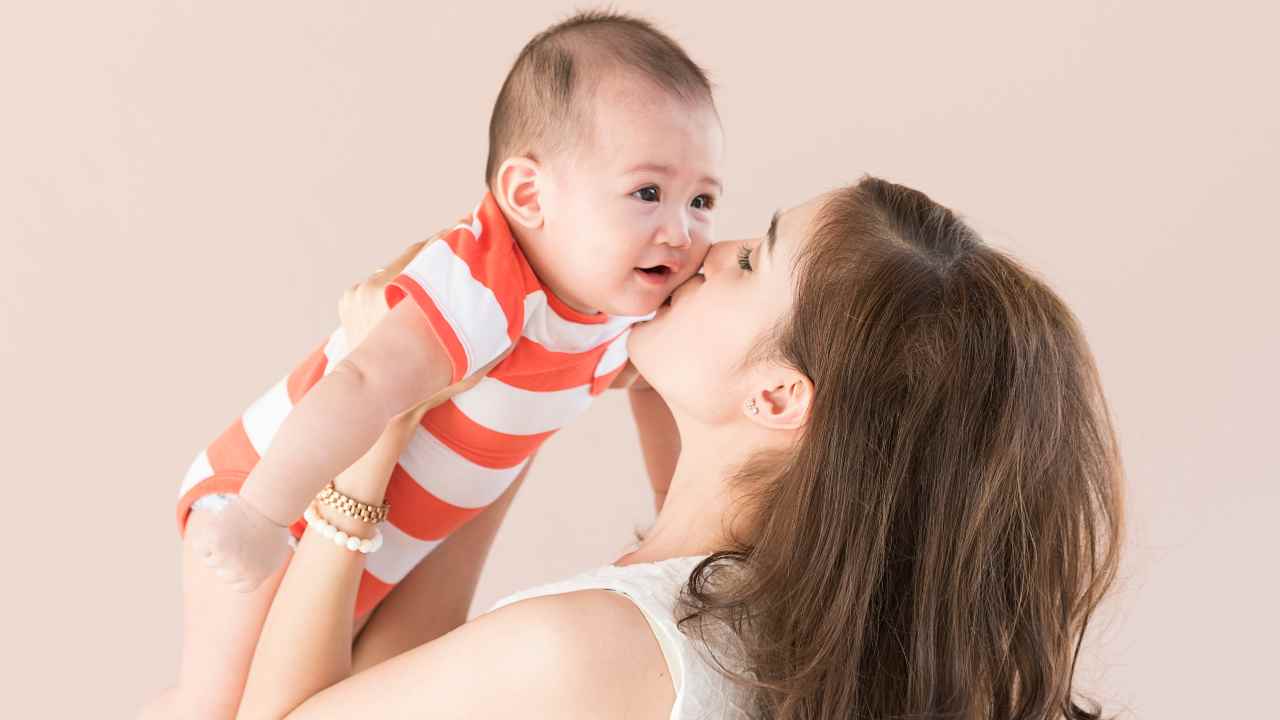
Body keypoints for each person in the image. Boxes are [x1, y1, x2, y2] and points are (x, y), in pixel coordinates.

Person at [231, 176, 1124, 719]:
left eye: (749, 263)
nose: (704, 246)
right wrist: (517, 392)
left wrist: (375, 423)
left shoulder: (600, 646)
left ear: (778, 396)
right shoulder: (789, 636)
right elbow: (404, 686)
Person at [153, 12, 723, 717]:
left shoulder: (622, 300)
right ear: (527, 196)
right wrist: (261, 515)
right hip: (278, 496)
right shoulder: (481, 283)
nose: (683, 230)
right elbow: (361, 381)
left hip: (387, 544)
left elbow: (655, 388)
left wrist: (675, 511)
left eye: (702, 200)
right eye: (648, 193)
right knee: (213, 706)